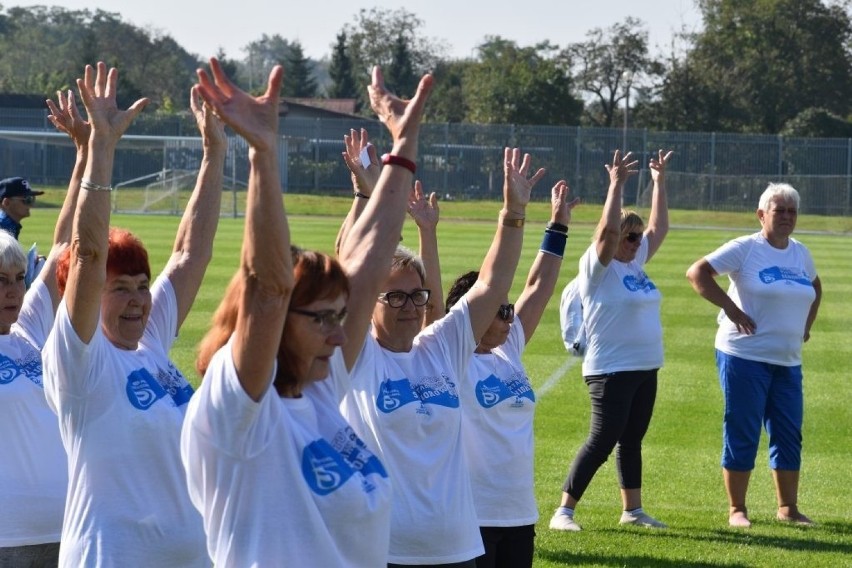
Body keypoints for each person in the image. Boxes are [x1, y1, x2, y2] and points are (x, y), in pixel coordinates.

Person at [181, 61, 433, 566]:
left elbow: (368, 260)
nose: (339, 337)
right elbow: (269, 288)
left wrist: (403, 146)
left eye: (339, 318)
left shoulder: (317, 390)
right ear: (269, 324)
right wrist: (263, 153)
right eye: (321, 319)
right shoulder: (241, 413)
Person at [42, 62, 226, 566]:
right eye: (120, 289)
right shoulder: (80, 362)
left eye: (142, 286)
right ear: (82, 294)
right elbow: (86, 255)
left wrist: (214, 152)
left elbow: (190, 253)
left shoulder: (151, 346)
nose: (139, 300)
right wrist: (100, 145)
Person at [339, 144, 545, 566]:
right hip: (384, 549)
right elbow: (351, 270)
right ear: (370, 302)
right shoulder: (358, 356)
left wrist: (513, 212)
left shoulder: (443, 347)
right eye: (395, 296)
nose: (410, 306)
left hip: (457, 547)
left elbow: (492, 283)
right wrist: (372, 196)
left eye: (417, 296)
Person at [443, 181, 577, 567]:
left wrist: (558, 225)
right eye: (499, 310)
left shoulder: (509, 347)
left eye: (508, 308)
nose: (509, 316)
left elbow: (539, 285)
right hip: (473, 515)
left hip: (519, 512)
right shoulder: (451, 358)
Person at [549, 149, 673, 532]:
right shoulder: (596, 268)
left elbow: (660, 228)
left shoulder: (634, 262)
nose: (636, 242)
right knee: (602, 438)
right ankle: (563, 512)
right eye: (629, 236)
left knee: (632, 439)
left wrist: (658, 182)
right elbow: (604, 233)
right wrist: (616, 185)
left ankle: (632, 510)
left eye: (637, 237)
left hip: (643, 366)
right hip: (611, 368)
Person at [686, 183, 821, 528]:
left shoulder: (801, 253)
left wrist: (805, 325)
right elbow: (697, 272)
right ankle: (737, 510)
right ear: (762, 215)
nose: (787, 217)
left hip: (788, 360)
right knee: (743, 429)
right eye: (780, 210)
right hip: (743, 356)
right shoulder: (746, 248)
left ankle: (788, 508)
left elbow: (815, 287)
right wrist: (732, 310)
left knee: (789, 432)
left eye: (792, 211)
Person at [0, 89, 87, 567]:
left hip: (68, 529)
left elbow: (62, 245)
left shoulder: (29, 330)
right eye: (0, 282)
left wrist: (85, 154)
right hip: (8, 540)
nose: (14, 291)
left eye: (17, 280)